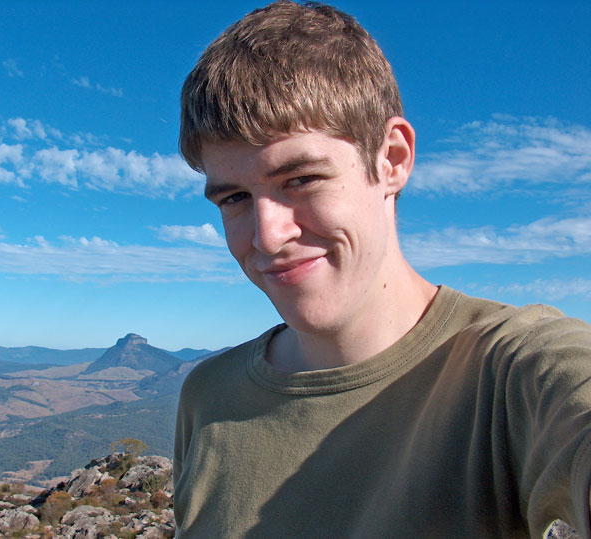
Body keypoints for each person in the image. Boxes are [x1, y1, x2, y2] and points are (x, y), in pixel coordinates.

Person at [172, 1, 591, 537]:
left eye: (300, 179)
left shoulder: (508, 373)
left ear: (391, 159)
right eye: (233, 197)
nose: (267, 235)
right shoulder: (208, 396)